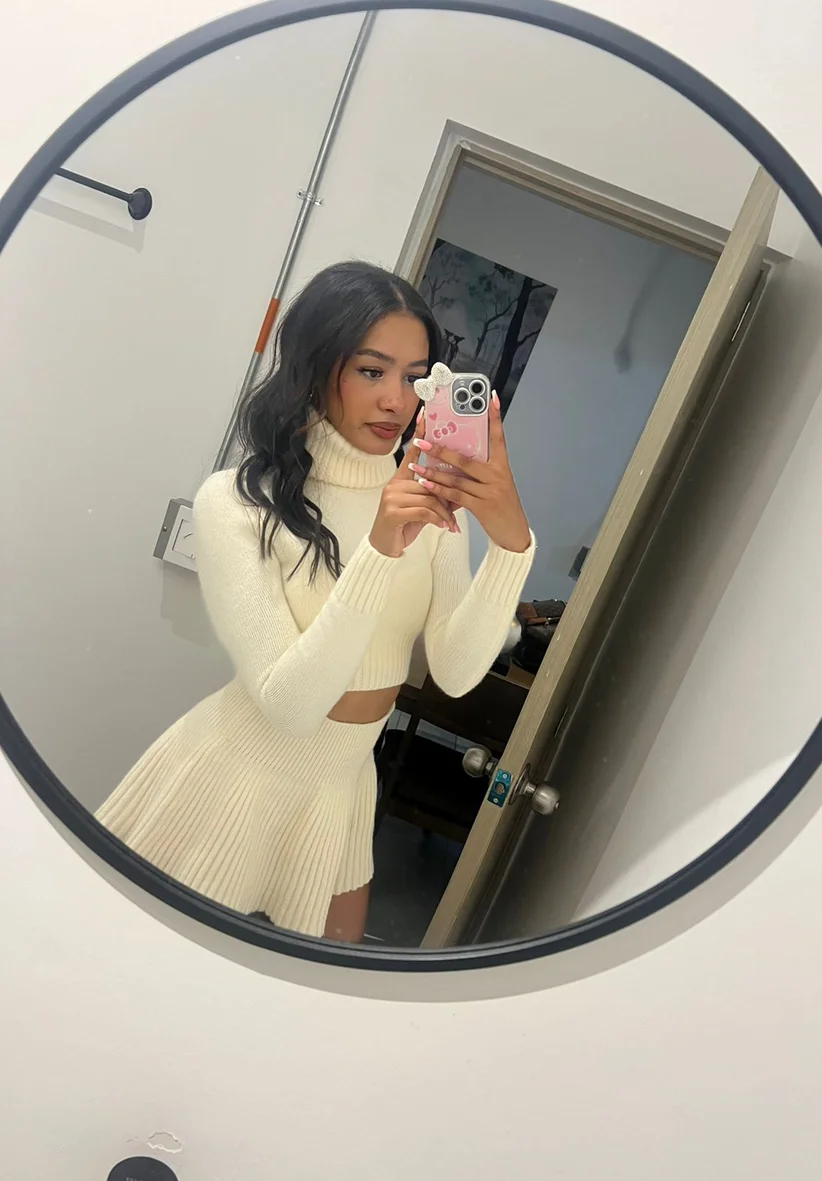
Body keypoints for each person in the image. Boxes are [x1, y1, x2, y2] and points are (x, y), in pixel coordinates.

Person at [97, 261, 535, 943]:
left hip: (343, 788)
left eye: (415, 377)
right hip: (235, 778)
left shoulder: (426, 502)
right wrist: (380, 548)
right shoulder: (237, 504)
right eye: (371, 371)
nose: (396, 400)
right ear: (315, 365)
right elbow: (291, 704)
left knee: (307, 995)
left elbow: (454, 672)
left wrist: (512, 545)